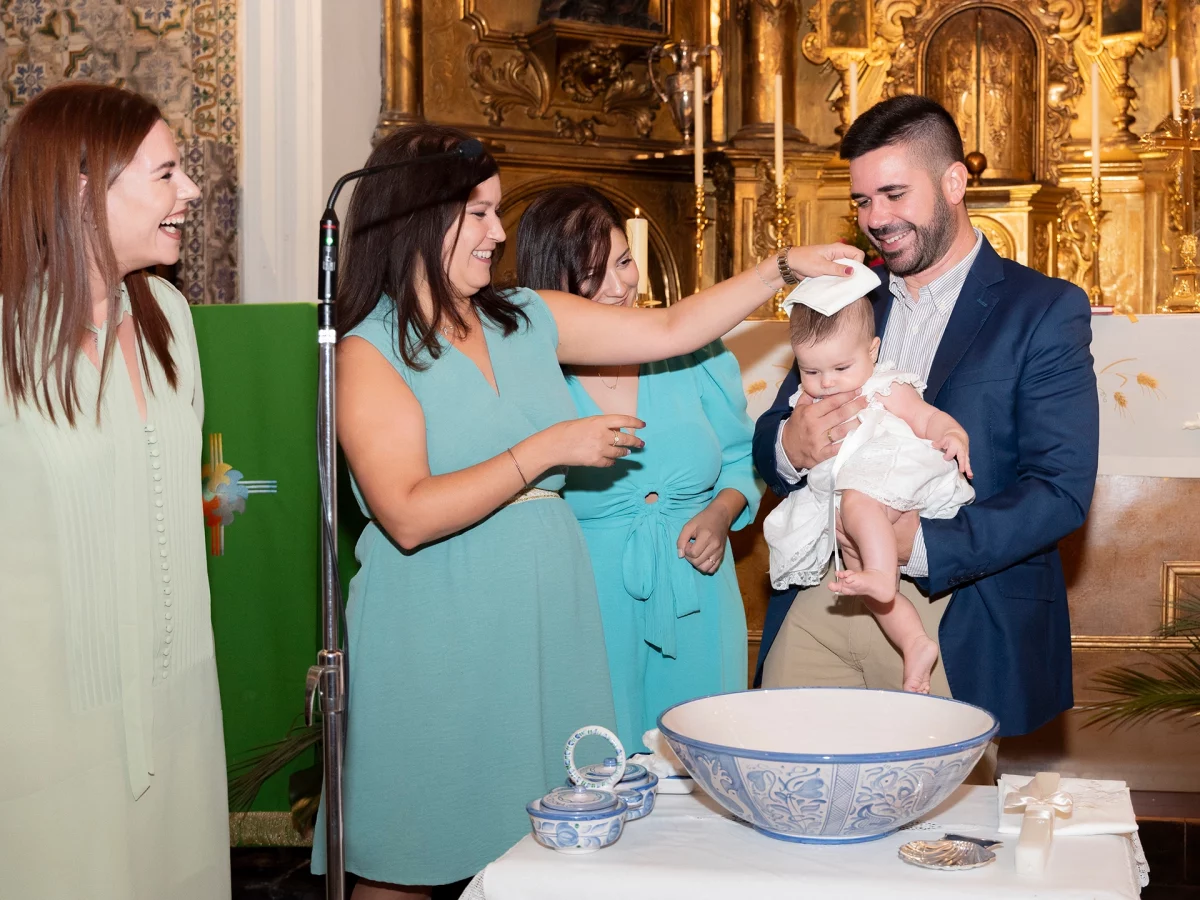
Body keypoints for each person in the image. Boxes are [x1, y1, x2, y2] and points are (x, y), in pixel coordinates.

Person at [313, 123, 857, 899]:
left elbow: (671, 328)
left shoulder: (524, 315)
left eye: (498, 212)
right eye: (478, 213)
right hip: (436, 620)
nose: (498, 234)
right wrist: (546, 448)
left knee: (550, 848)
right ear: (417, 216)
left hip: (543, 616)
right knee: (412, 850)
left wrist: (780, 267)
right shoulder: (369, 352)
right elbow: (405, 513)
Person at [752, 95, 1099, 748]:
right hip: (824, 598)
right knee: (790, 796)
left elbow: (1060, 488)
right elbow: (773, 433)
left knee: (937, 837)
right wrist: (791, 445)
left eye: (892, 194)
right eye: (862, 202)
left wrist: (920, 544)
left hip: (954, 612)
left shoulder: (1042, 309)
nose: (875, 219)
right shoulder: (846, 296)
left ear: (953, 181)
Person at [0, 83, 230, 899]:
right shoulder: (7, 340)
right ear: (82, 190)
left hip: (181, 710)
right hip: (46, 738)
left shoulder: (172, 315)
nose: (191, 192)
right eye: (167, 174)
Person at [515, 185, 763, 754]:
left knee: (709, 760)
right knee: (599, 766)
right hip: (587, 601)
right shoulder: (530, 377)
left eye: (624, 261)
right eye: (593, 272)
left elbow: (741, 455)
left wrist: (723, 513)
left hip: (697, 591)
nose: (619, 285)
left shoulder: (692, 348)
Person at [763, 281, 975, 694]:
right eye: (811, 371)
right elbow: (781, 436)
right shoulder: (808, 397)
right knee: (856, 555)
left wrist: (953, 435)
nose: (825, 382)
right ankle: (914, 642)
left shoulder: (884, 384)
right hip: (845, 499)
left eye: (840, 369)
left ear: (872, 352)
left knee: (860, 508)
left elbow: (927, 417)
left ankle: (881, 575)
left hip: (887, 476)